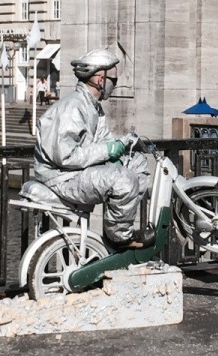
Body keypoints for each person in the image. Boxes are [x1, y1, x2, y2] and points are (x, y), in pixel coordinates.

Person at [32, 48, 152, 251]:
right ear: (100, 80)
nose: (115, 84)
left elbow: (103, 141)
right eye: (113, 79)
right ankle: (119, 238)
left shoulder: (93, 107)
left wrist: (121, 146)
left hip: (75, 171)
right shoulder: (73, 107)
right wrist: (108, 151)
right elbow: (66, 156)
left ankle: (117, 224)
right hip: (61, 177)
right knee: (123, 180)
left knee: (137, 164)